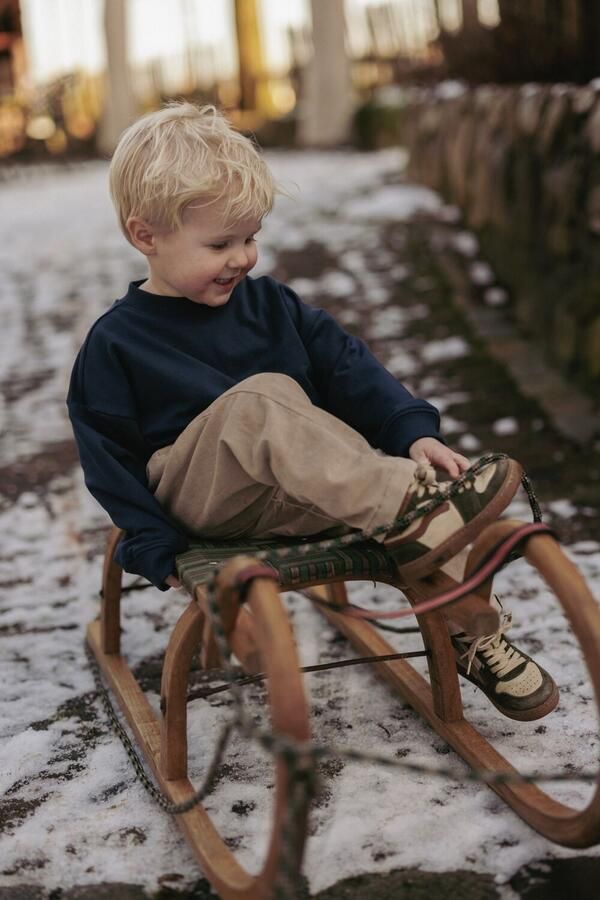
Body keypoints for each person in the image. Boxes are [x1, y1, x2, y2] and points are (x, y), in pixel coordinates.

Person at [67, 102, 557, 721]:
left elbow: (347, 367)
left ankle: (469, 628)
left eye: (251, 238)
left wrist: (411, 431)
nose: (243, 258)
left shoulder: (271, 305)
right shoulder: (117, 342)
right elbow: (106, 455)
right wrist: (157, 551)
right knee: (261, 401)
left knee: (357, 462)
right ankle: (411, 506)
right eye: (220, 243)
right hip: (205, 498)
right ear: (146, 237)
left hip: (299, 490)